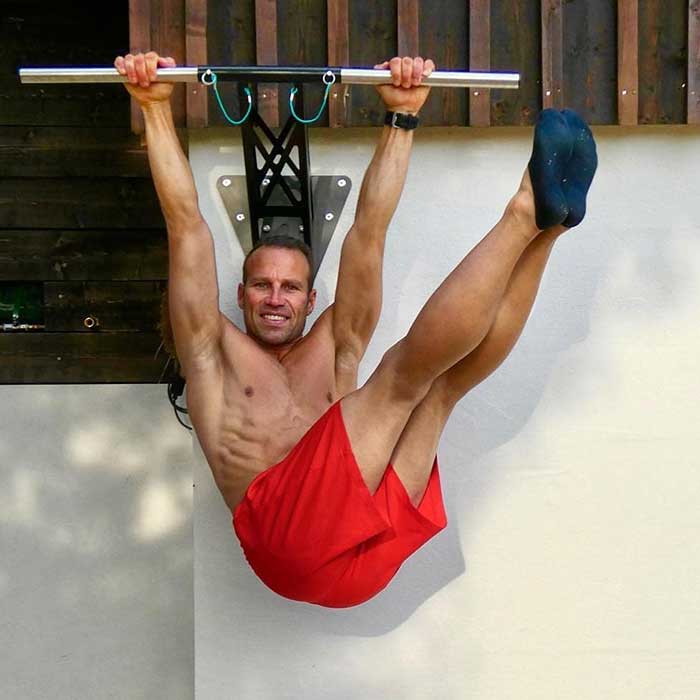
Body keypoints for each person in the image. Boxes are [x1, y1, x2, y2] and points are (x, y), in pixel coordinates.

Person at [115, 52, 597, 608]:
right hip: (286, 547)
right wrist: (154, 107)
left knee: (442, 390)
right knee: (401, 379)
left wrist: (402, 116)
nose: (275, 298)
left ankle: (548, 231)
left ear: (311, 299)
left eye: (290, 287)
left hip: (366, 555)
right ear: (240, 294)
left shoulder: (335, 342)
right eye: (262, 285)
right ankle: (524, 212)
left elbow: (370, 229)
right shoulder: (210, 353)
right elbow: (186, 227)